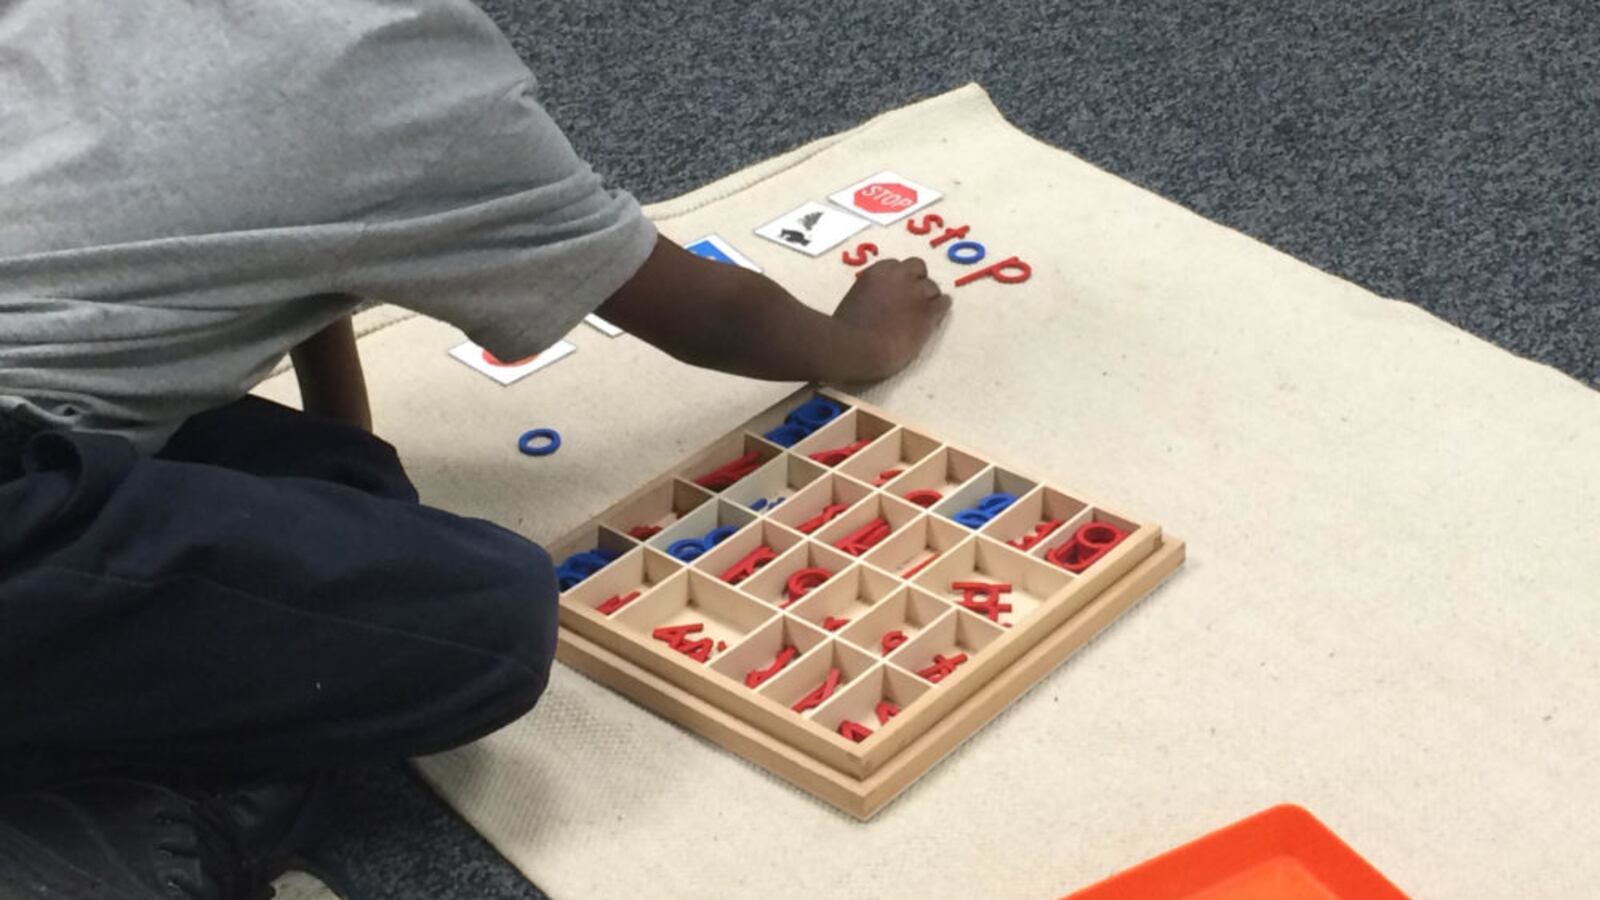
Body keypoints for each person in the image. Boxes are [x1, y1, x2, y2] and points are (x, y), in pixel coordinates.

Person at [0, 1, 948, 896]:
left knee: (344, 481)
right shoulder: (395, 70)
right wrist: (864, 344)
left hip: (35, 426)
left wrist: (345, 514)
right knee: (490, 619)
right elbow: (702, 311)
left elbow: (303, 231)